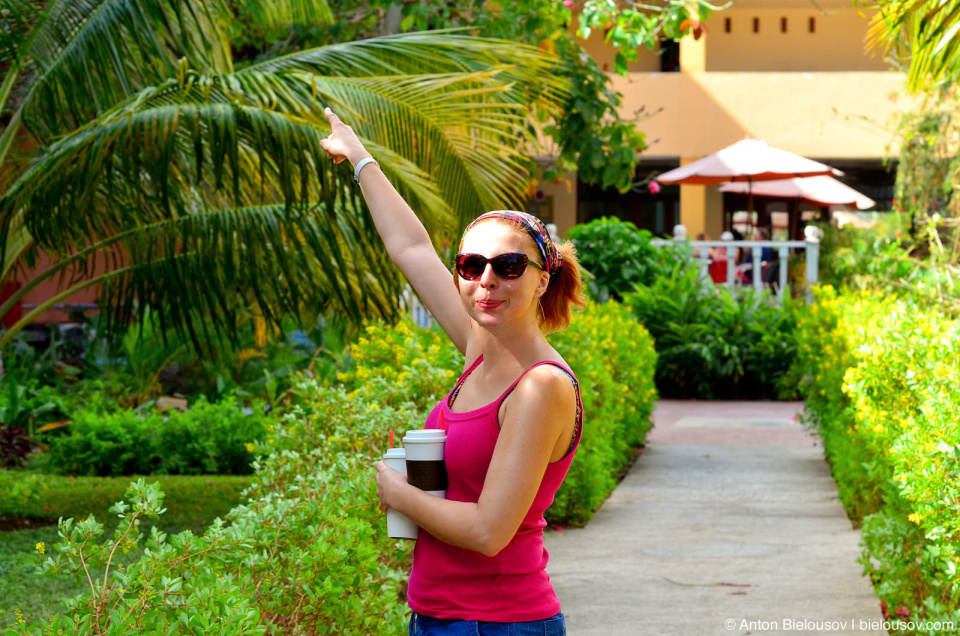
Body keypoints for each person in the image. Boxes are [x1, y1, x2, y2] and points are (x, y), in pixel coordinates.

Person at [319, 107, 586, 635]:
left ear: (542, 280)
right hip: (438, 617)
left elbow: (489, 532)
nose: (486, 280)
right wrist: (359, 157)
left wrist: (400, 496)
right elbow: (411, 247)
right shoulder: (478, 349)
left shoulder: (540, 386)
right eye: (470, 265)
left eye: (508, 267)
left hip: (498, 624)